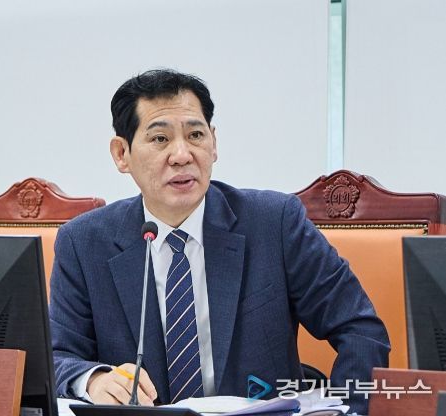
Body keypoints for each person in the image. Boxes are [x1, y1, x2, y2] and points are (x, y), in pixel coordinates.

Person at [49, 69, 390, 414]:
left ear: (213, 144)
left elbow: (359, 328)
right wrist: (93, 380)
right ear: (122, 153)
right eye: (160, 139)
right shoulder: (83, 243)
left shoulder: (274, 223)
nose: (182, 155)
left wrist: (348, 410)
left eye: (195, 135)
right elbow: (57, 355)